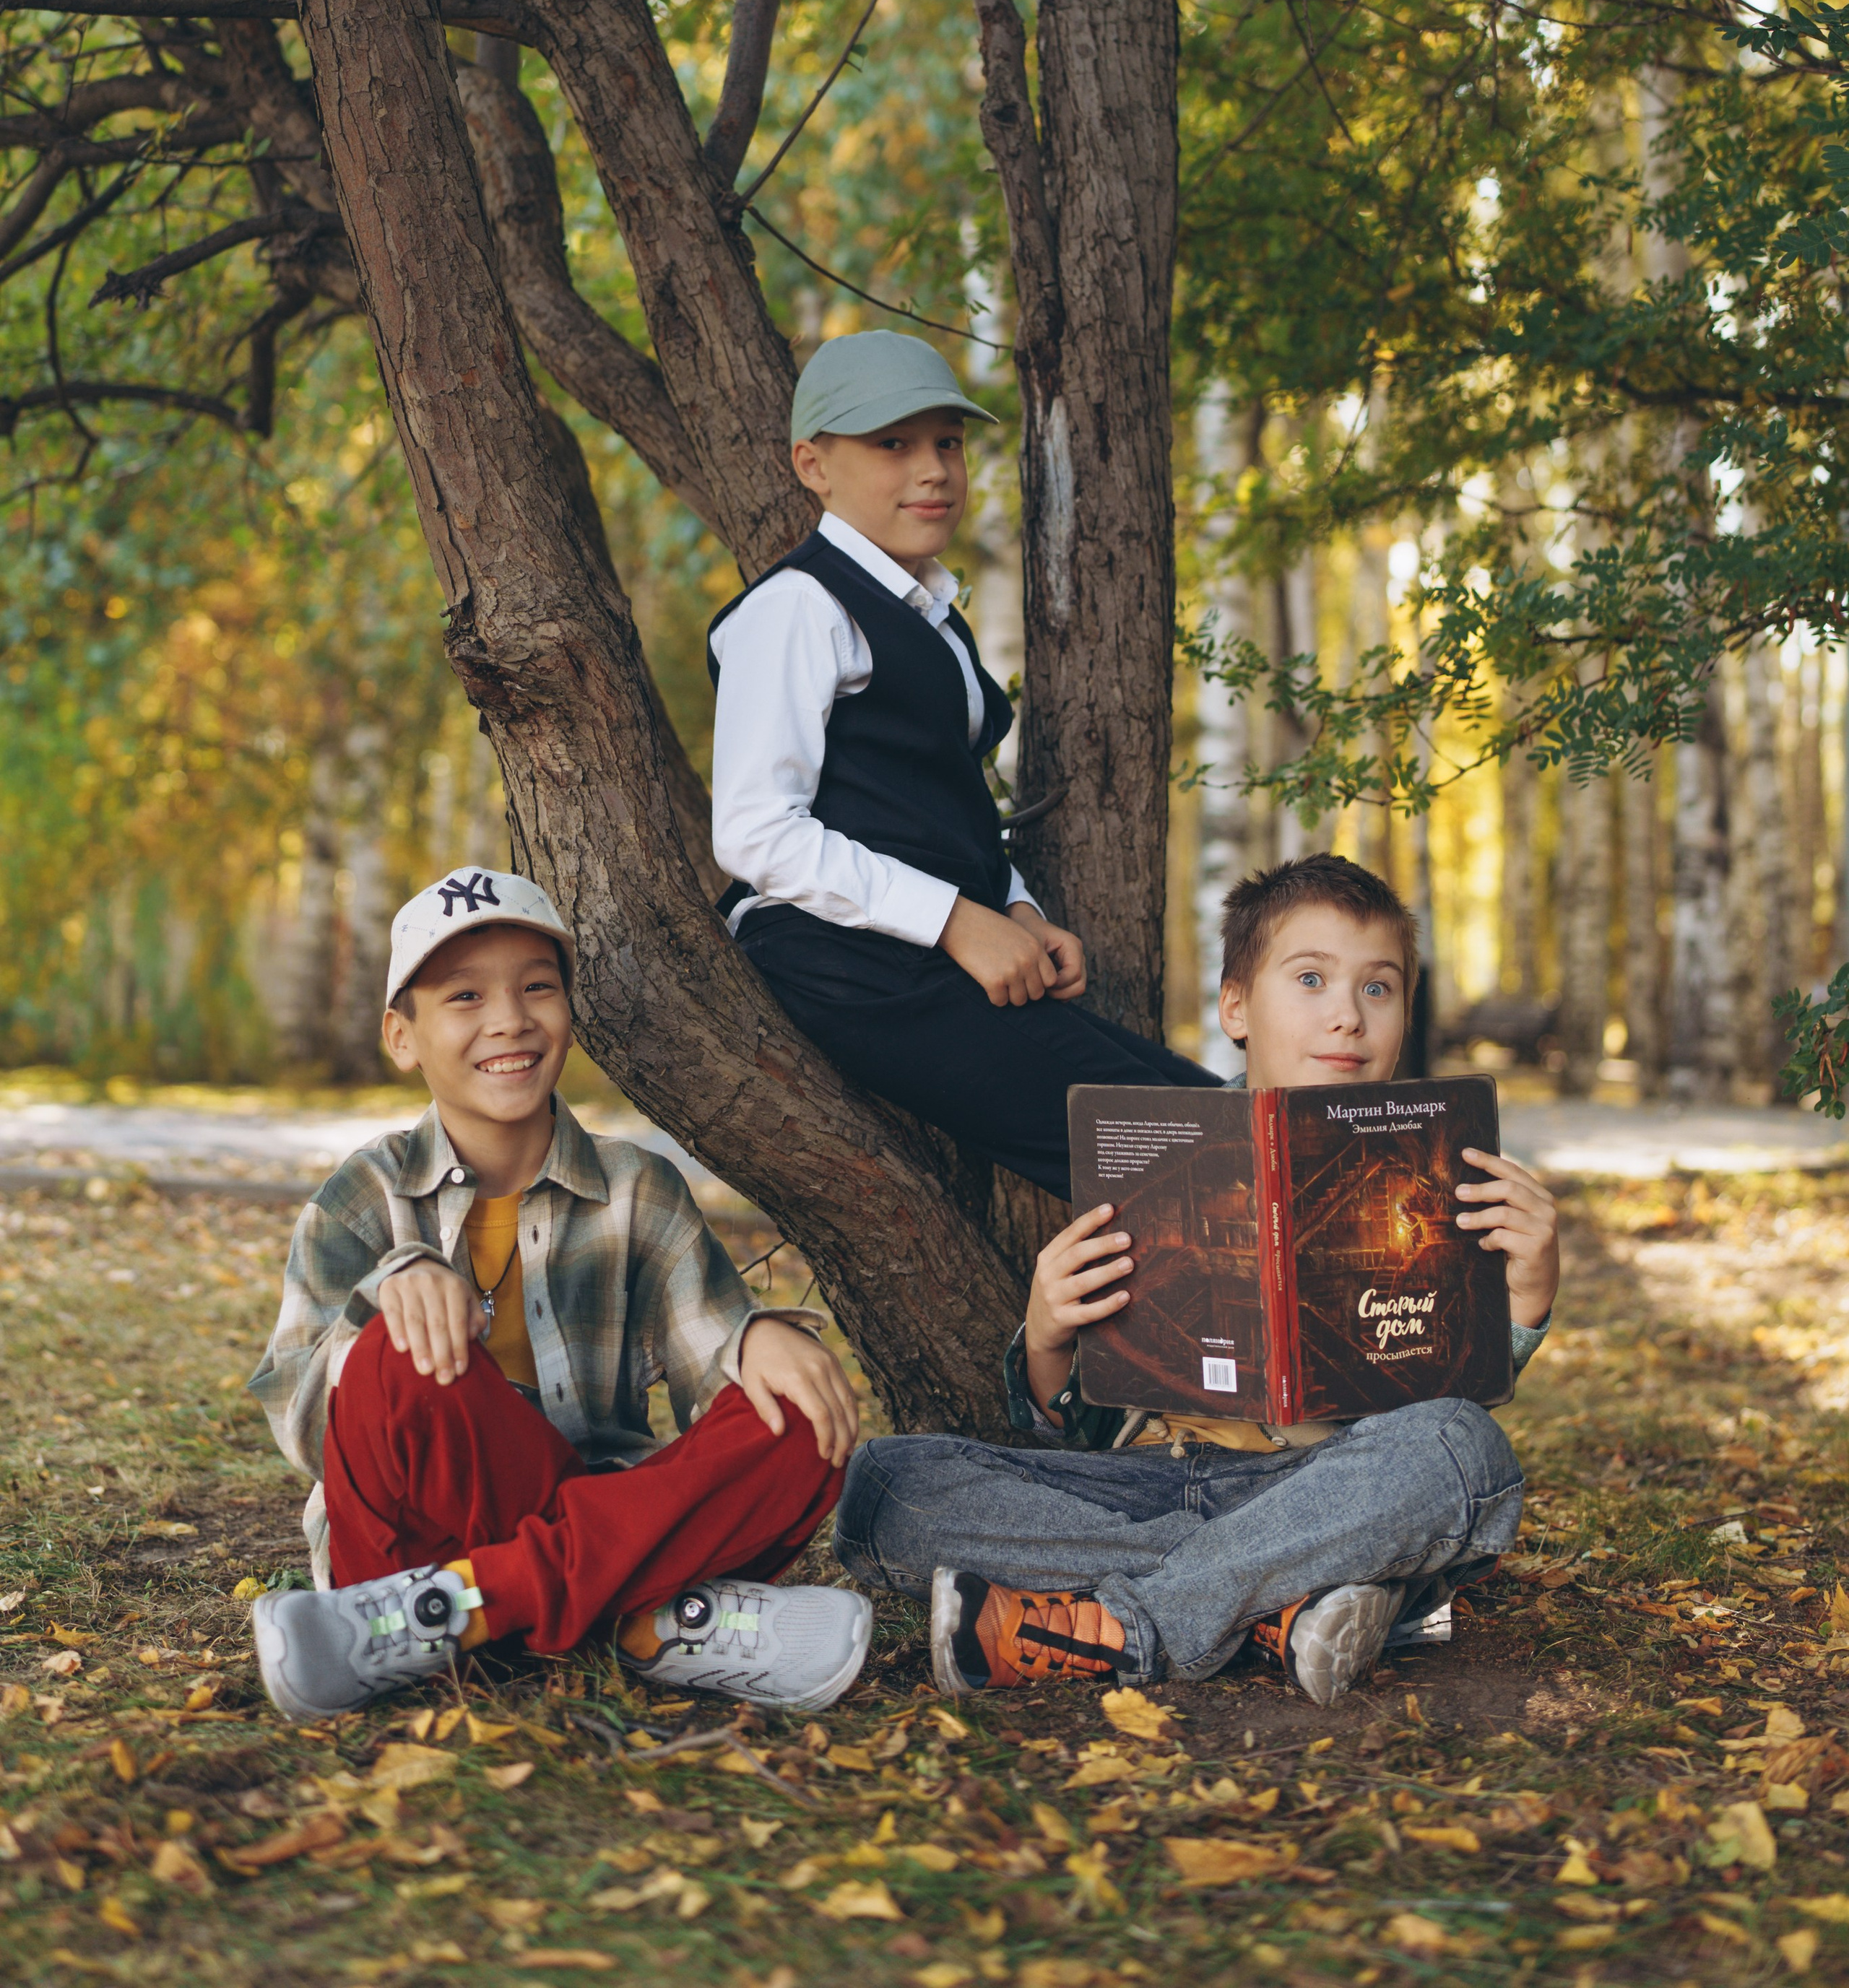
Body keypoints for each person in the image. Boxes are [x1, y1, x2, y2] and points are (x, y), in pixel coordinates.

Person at [833, 854, 1559, 1707]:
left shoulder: (1435, 1160)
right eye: (1312, 979)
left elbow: (1457, 1389)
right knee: (886, 1485)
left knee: (1459, 1451)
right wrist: (1046, 1334)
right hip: (1140, 1486)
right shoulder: (1150, 1147)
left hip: (1320, 1482)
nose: (1346, 1018)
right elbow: (1060, 1424)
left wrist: (1527, 1290)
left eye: (1378, 988)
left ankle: (1129, 1628)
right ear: (1236, 1006)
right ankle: (1279, 1602)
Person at [247, 865, 870, 1722]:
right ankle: (648, 1622)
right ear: (402, 1035)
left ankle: (463, 1613)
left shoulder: (634, 1190)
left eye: (537, 987)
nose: (509, 1018)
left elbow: (713, 1356)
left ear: (568, 1013)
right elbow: (304, 1427)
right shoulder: (362, 1197)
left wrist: (753, 1340)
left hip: (585, 1509)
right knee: (398, 1348)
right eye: (464, 996)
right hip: (418, 1542)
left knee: (803, 1409)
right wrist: (387, 1296)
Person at [708, 329, 1217, 1199]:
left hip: (928, 951)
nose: (934, 469)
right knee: (1177, 1156)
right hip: (845, 963)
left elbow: (931, 804)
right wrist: (955, 920)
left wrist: (1014, 905)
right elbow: (755, 833)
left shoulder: (933, 613)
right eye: (892, 444)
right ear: (812, 465)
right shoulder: (799, 607)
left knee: (1209, 1116)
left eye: (947, 441)